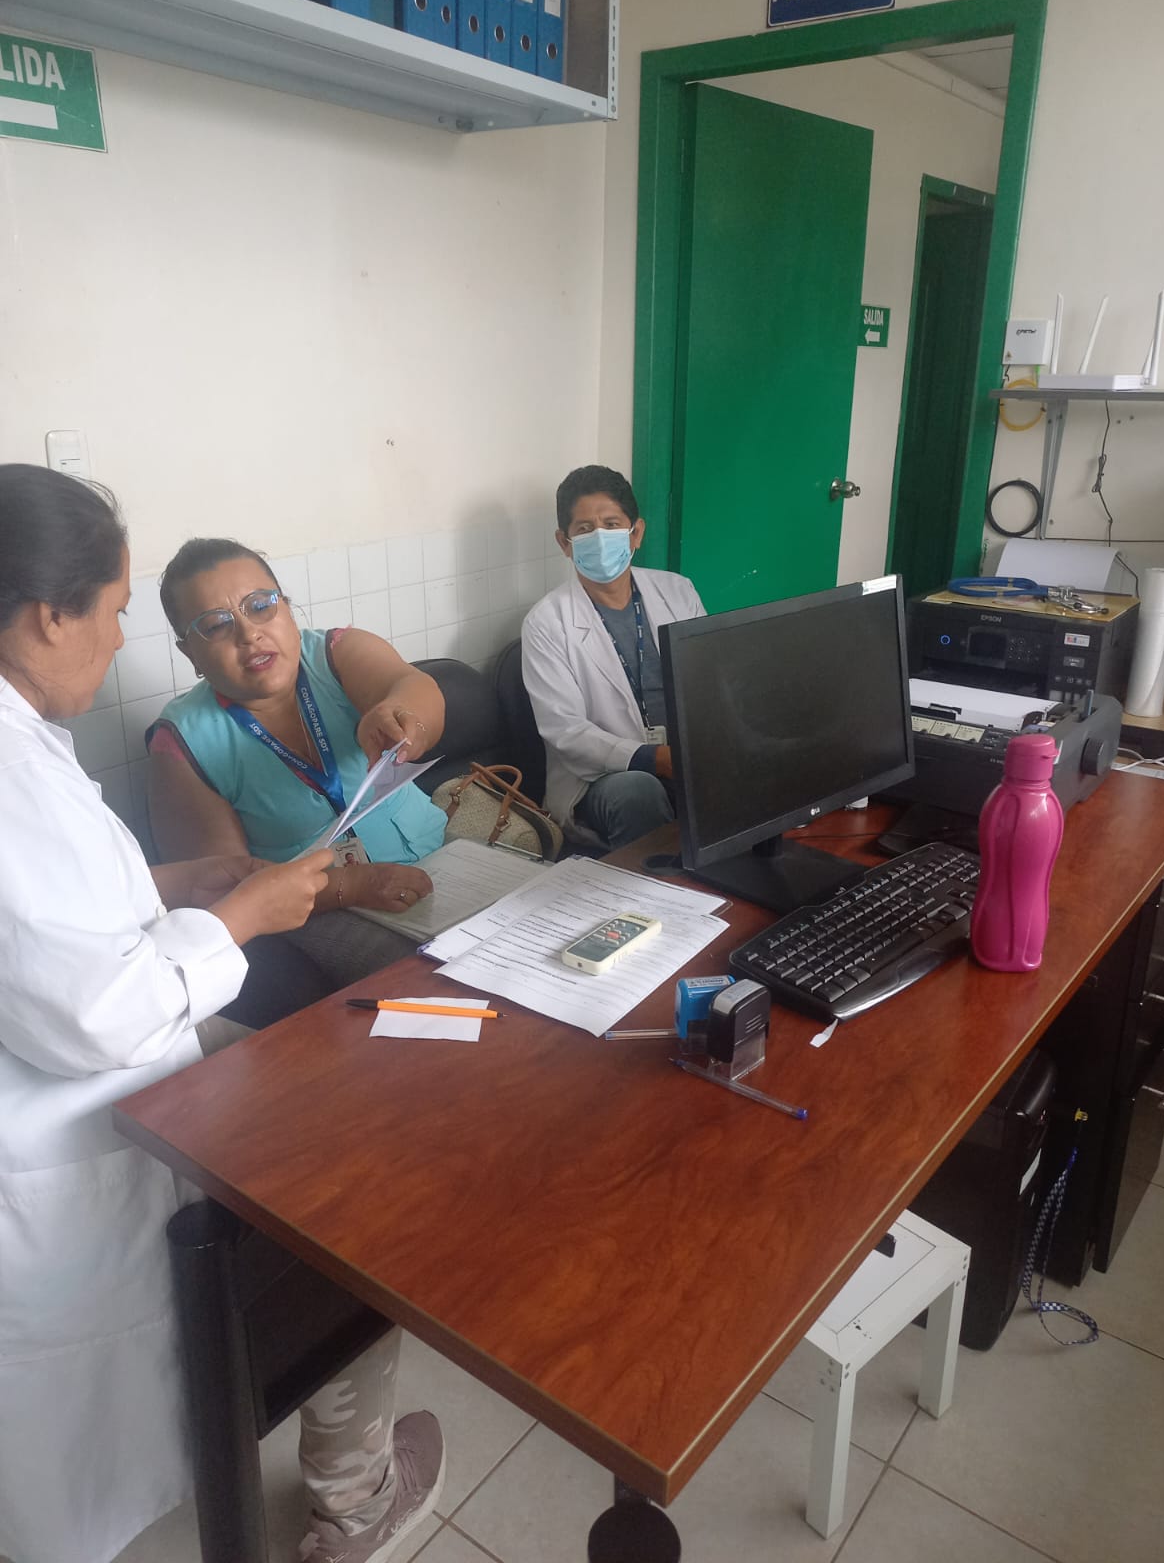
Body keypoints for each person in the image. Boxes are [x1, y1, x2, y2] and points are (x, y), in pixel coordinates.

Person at [0, 466, 444, 1563]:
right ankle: (355, 1498)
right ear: (49, 614)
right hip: (92, 1100)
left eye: (263, 604)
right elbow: (92, 1009)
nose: (115, 644)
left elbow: (56, 915)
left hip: (137, 1044)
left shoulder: (27, 740)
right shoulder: (100, 752)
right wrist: (240, 912)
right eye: (115, 614)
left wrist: (173, 886)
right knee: (352, 1202)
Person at [147, 538, 448, 1026]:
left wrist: (403, 718)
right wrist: (349, 886)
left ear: (286, 606)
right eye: (217, 625)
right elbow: (220, 891)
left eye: (260, 605)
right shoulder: (181, 743)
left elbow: (416, 688)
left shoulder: (337, 653)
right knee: (438, 985)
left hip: (443, 856)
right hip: (321, 912)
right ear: (190, 652)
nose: (249, 634)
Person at [521, 464, 705, 848]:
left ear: (635, 532)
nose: (599, 538)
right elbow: (566, 732)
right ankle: (651, 884)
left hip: (686, 755)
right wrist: (656, 759)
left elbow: (710, 680)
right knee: (637, 791)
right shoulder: (546, 623)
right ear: (564, 543)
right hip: (600, 778)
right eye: (585, 529)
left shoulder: (677, 591)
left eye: (611, 524)